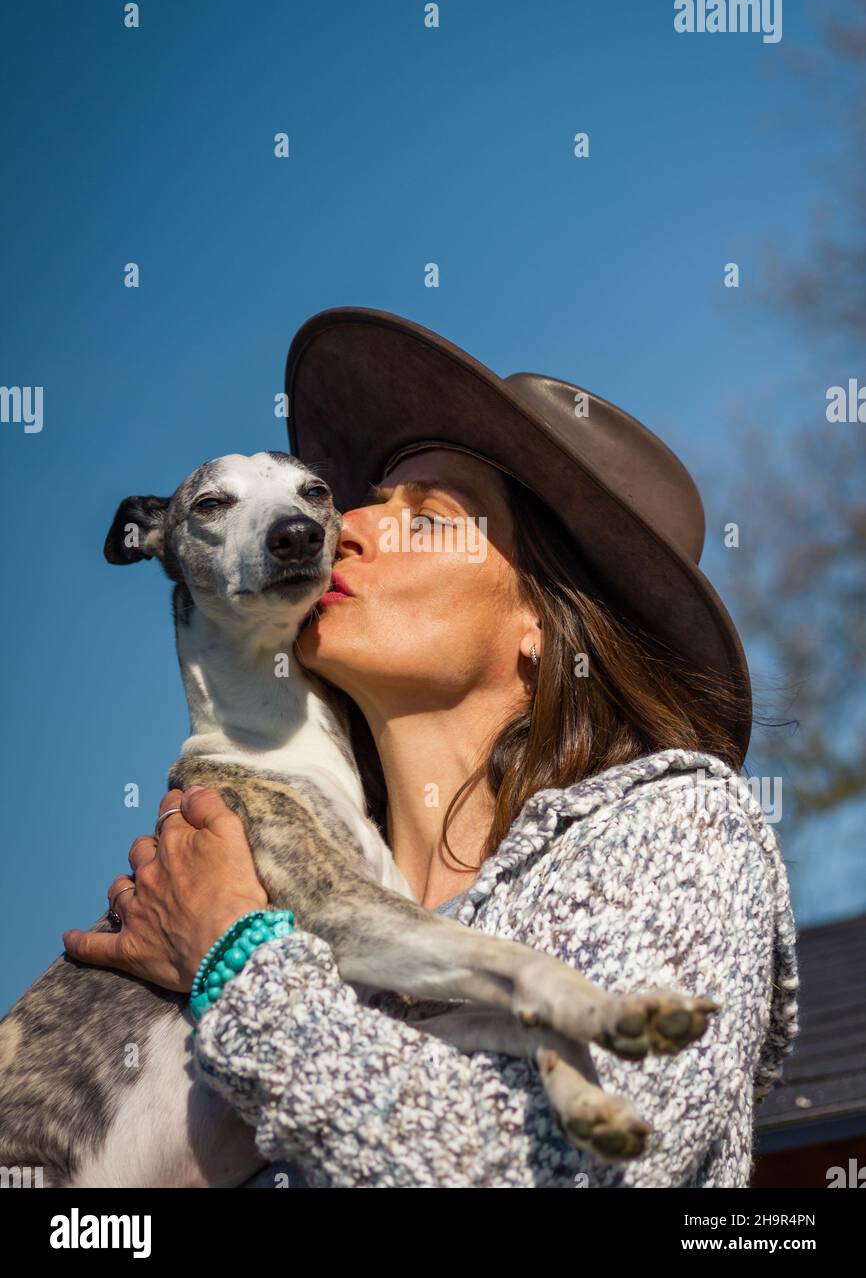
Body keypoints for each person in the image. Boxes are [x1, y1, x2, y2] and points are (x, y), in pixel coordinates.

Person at [63, 308, 800, 1188]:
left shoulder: (681, 823)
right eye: (367, 501)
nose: (349, 529)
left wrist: (233, 958)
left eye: (430, 515)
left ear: (544, 621)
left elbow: (581, 1173)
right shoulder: (232, 850)